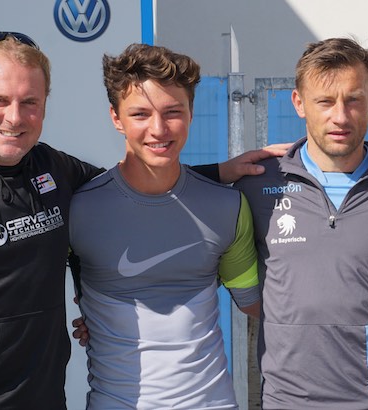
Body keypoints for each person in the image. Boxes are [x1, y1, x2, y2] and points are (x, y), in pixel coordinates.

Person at [0, 31, 281, 408]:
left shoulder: (55, 173)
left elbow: (138, 185)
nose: (15, 117)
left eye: (30, 102)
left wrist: (219, 174)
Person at [233, 37, 368, 409]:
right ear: (299, 104)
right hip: (288, 402)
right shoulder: (255, 187)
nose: (340, 116)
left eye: (353, 99)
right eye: (324, 101)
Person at [67, 43, 261, 409]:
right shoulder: (79, 208)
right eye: (140, 114)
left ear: (190, 113)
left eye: (173, 112)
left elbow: (256, 304)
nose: (159, 129)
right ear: (116, 118)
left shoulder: (227, 206)